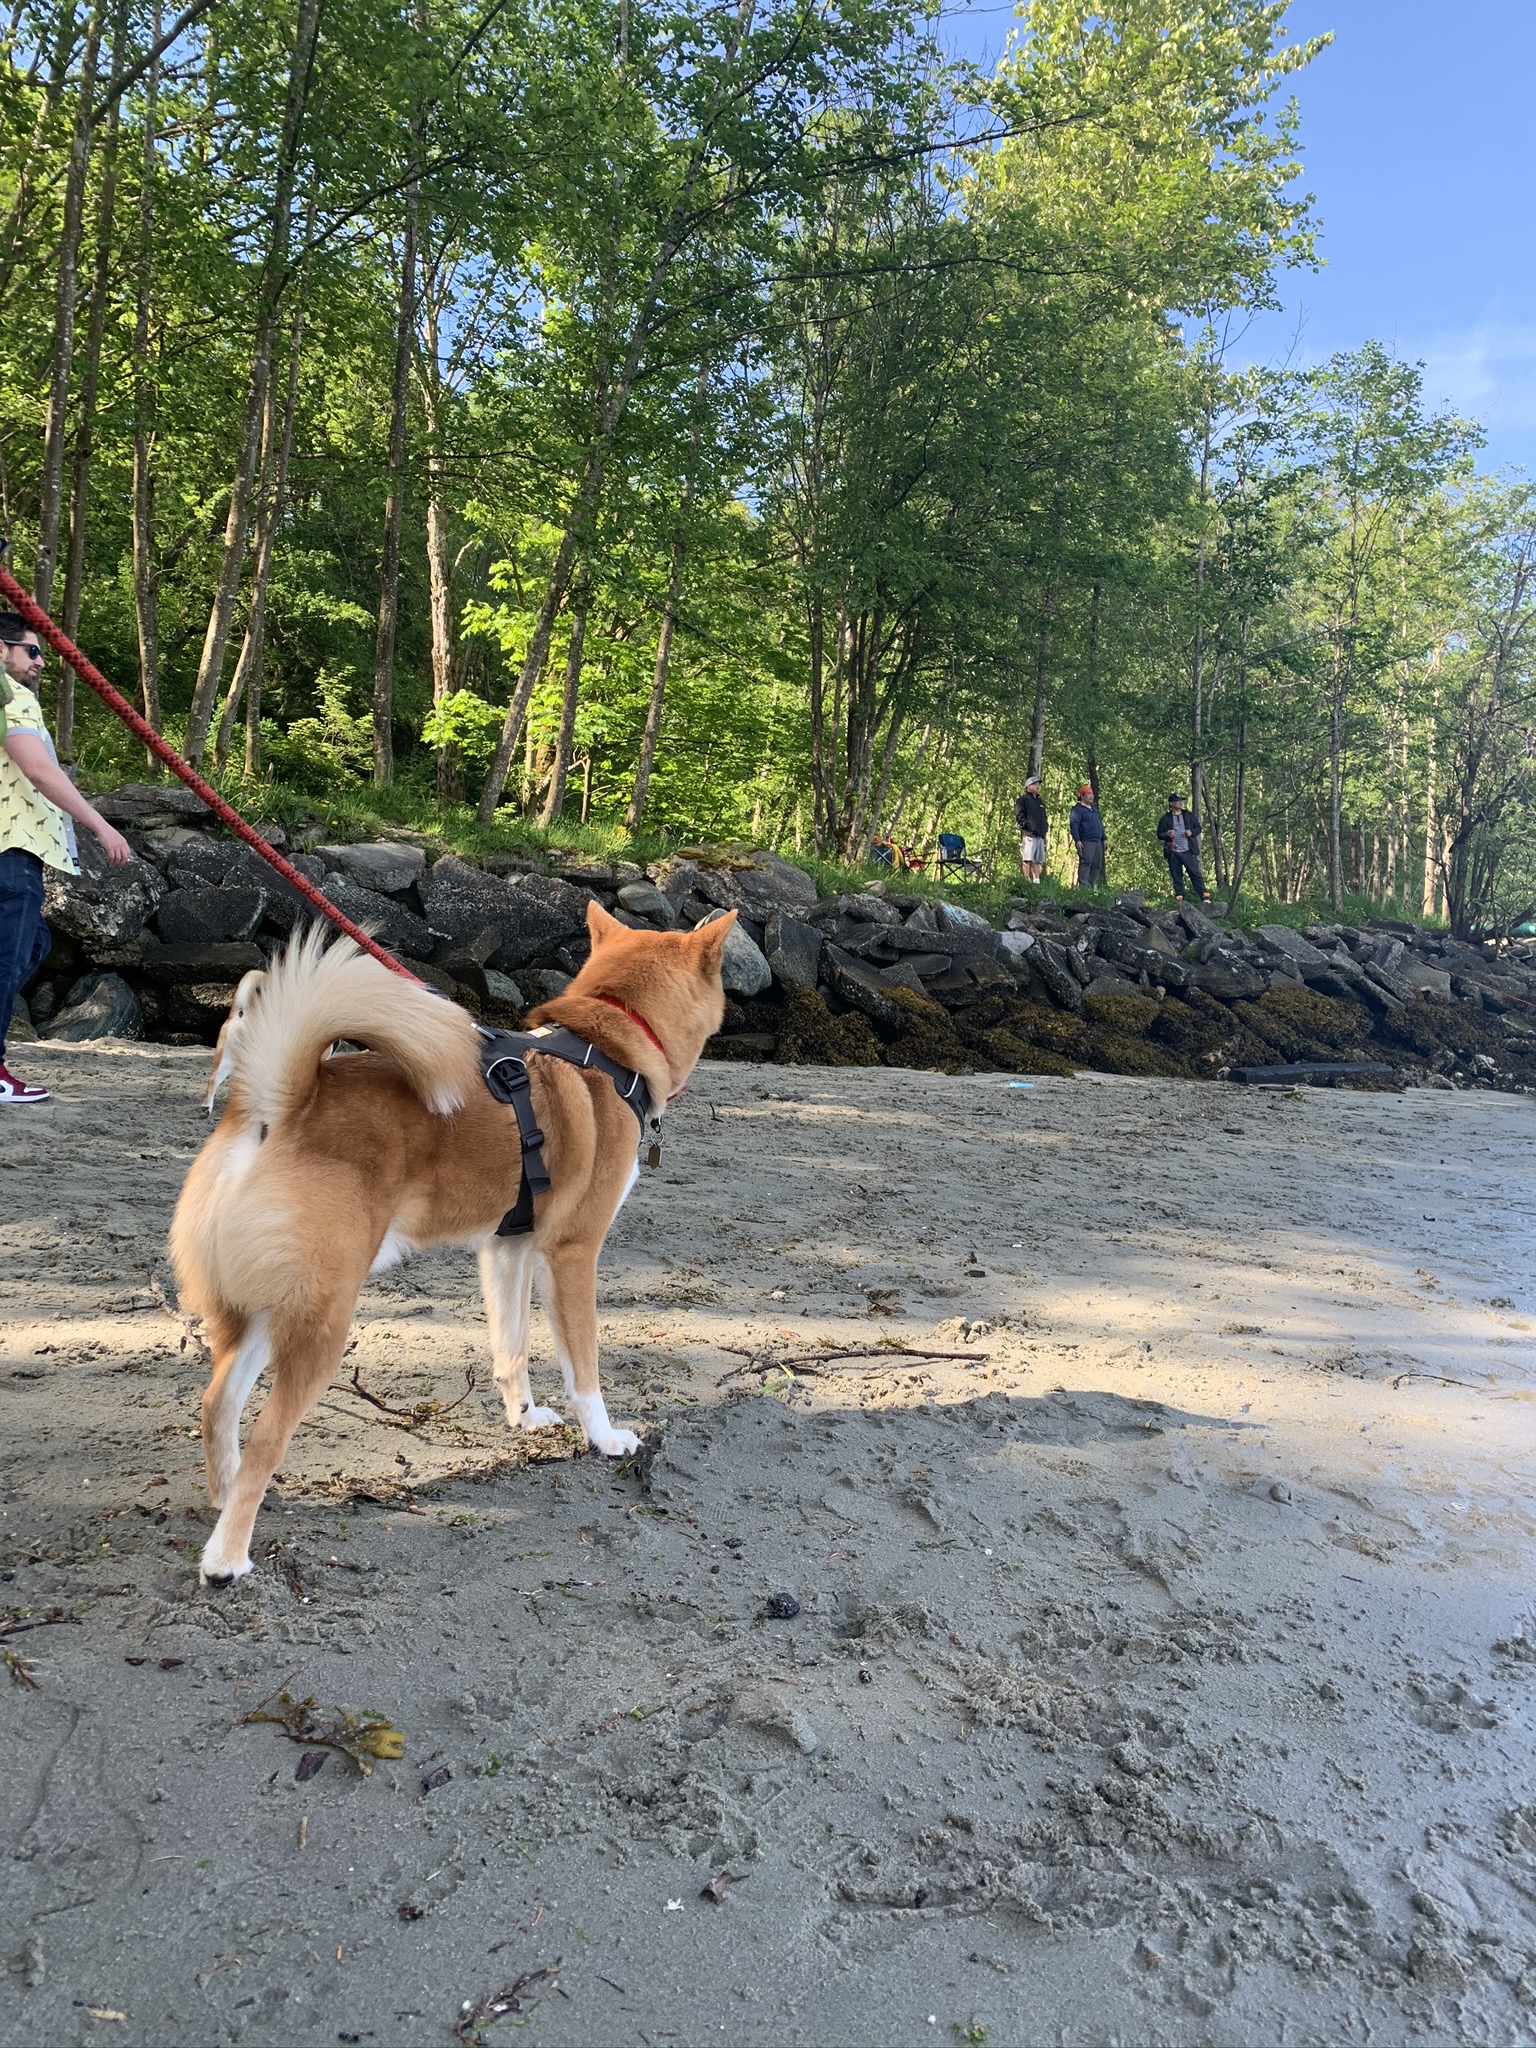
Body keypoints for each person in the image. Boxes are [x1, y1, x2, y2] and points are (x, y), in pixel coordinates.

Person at [0, 613, 132, 1102]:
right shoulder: (12, 697)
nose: (40, 661)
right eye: (32, 650)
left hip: (19, 852)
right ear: (1, 650)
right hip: (10, 850)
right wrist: (101, 825)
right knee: (9, 957)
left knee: (31, 947)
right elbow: (36, 768)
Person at [1155, 790, 1210, 904]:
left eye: (1180, 801)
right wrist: (1167, 834)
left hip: (1188, 850)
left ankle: (1204, 897)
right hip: (1173, 851)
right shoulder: (1165, 818)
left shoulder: (1189, 815)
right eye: (1177, 801)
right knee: (1177, 877)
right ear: (1171, 804)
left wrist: (1191, 832)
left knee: (1195, 873)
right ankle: (1180, 899)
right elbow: (1159, 834)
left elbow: (1198, 828)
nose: (1180, 803)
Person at [1067, 782, 1106, 888]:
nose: (1091, 796)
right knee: (1086, 862)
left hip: (1097, 840)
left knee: (1097, 865)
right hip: (1086, 840)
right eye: (1088, 794)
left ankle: (1094, 886)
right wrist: (1077, 840)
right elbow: (1074, 825)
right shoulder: (1077, 810)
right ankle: (1084, 887)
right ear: (1082, 796)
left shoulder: (1094, 809)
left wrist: (1104, 838)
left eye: (1092, 794)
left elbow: (1099, 824)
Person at [1014, 774, 1047, 882]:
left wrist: (1045, 829)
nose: (1037, 786)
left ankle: (1036, 881)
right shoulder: (1022, 800)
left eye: (1038, 784)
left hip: (1040, 835)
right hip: (1029, 835)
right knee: (1027, 858)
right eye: (1034, 784)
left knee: (1037, 860)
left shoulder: (1039, 802)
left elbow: (1044, 817)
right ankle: (1026, 880)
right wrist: (1028, 826)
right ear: (1028, 787)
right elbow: (1019, 815)